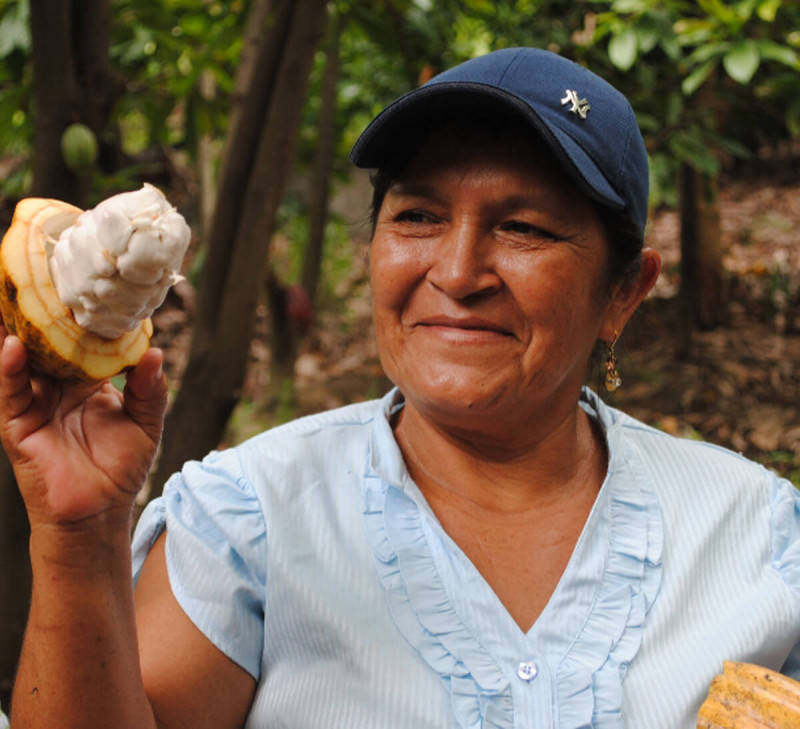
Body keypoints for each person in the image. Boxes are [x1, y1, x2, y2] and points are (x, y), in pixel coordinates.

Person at [2, 47, 799, 729]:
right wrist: (80, 535)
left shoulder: (753, 536)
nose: (455, 273)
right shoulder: (252, 521)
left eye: (523, 228)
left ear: (624, 291)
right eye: (418, 215)